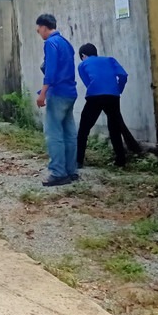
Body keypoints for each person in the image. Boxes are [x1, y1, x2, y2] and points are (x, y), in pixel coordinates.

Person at [35, 14, 78, 187]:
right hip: (70, 92)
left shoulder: (50, 43)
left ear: (45, 27)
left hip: (57, 93)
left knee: (54, 134)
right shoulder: (66, 43)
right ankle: (71, 171)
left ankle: (58, 173)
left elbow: (51, 71)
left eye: (39, 29)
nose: (38, 32)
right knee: (69, 134)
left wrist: (42, 93)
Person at [76, 43, 129, 168]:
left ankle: (78, 161)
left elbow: (87, 82)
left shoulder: (82, 65)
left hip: (95, 96)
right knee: (114, 128)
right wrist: (118, 89)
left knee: (84, 128)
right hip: (113, 96)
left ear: (83, 55)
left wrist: (96, 89)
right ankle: (121, 160)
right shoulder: (110, 60)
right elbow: (123, 75)